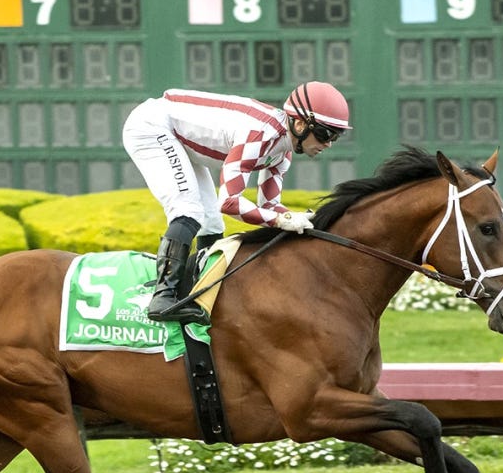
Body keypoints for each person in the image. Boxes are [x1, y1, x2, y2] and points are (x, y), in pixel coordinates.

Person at [122, 81, 351, 323]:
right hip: (152, 127)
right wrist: (283, 220)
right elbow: (230, 203)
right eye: (325, 134)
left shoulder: (282, 152)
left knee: (211, 223)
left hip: (176, 134)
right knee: (188, 211)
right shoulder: (259, 134)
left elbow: (270, 208)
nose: (328, 144)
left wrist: (304, 220)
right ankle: (163, 297)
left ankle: (199, 289)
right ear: (300, 123)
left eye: (335, 136)